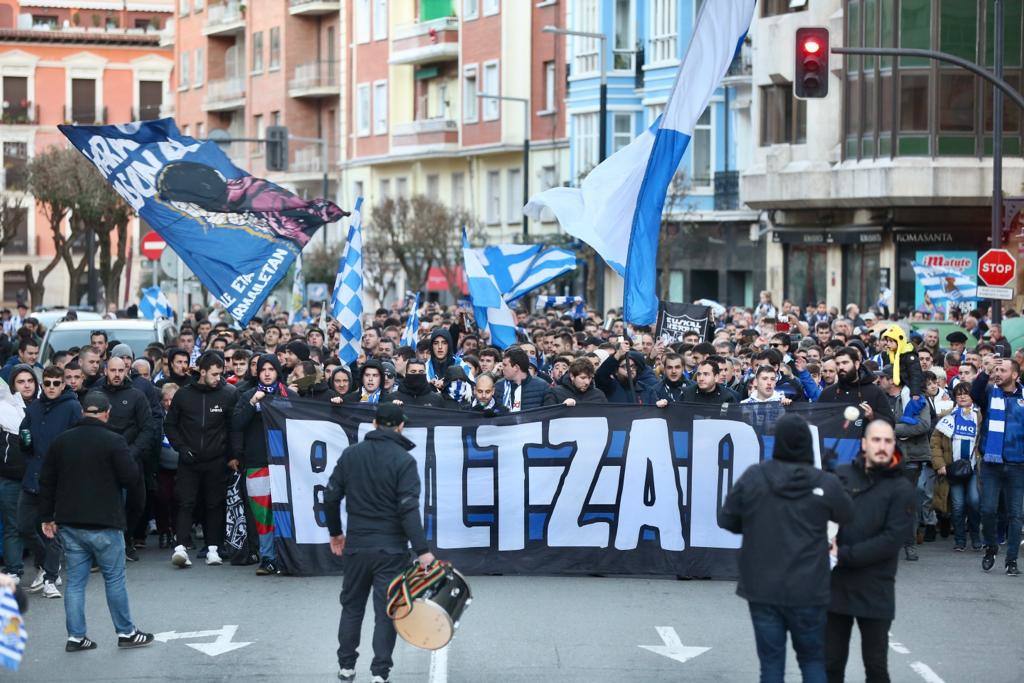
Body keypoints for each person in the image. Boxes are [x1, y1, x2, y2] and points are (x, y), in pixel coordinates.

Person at [719, 414, 853, 683]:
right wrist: (831, 479)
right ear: (807, 444)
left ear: (777, 442)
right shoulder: (824, 482)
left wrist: (754, 527)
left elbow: (727, 519)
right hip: (809, 587)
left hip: (763, 585)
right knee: (813, 661)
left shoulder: (755, 476)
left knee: (771, 664)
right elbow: (848, 515)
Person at [324, 403, 435, 683]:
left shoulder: (351, 455)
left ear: (374, 424)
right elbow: (408, 509)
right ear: (400, 427)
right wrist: (422, 550)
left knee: (351, 607)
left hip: (357, 545)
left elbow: (330, 497)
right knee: (386, 611)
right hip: (391, 549)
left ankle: (346, 666)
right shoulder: (404, 461)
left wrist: (336, 533)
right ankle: (380, 672)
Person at [37, 391, 154, 652]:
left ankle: (76, 637)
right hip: (105, 521)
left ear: (82, 412)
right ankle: (126, 632)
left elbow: (47, 481)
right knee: (114, 579)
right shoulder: (114, 441)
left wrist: (46, 517)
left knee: (75, 582)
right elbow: (130, 478)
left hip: (70, 522)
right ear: (107, 413)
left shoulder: (61, 442)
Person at [826, 420, 916, 683]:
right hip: (835, 588)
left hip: (876, 589)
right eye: (876, 440)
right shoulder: (842, 475)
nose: (882, 446)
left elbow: (890, 541)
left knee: (876, 668)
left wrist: (841, 555)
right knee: (829, 666)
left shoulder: (902, 489)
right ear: (864, 444)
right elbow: (820, 517)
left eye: (888, 441)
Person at [164, 352, 238, 568]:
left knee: (214, 504)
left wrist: (232, 455)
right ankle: (180, 548)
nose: (218, 378)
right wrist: (181, 448)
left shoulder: (228, 394)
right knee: (186, 503)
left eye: (220, 373)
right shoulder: (184, 395)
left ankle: (213, 549)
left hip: (216, 460)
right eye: (214, 374)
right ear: (202, 371)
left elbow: (233, 428)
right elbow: (170, 425)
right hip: (189, 460)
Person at [19, 365, 81, 597]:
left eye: (56, 383)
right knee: (24, 526)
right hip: (32, 477)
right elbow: (24, 438)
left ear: (63, 384)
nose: (52, 387)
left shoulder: (73, 406)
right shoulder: (34, 408)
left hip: (58, 480)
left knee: (52, 532)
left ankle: (50, 578)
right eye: (48, 383)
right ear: (42, 384)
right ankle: (46, 564)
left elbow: (79, 441)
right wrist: (26, 446)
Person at [232, 354, 296, 575]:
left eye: (271, 369)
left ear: (278, 372)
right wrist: (252, 404)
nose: (267, 373)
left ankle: (286, 556)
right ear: (257, 373)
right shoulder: (247, 395)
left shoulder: (290, 395)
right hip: (257, 462)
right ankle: (268, 558)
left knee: (284, 513)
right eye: (263, 370)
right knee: (263, 514)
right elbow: (236, 424)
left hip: (285, 464)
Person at [970, 358, 1024, 575]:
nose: (998, 373)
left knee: (1015, 515)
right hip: (992, 464)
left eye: (1003, 370)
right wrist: (986, 371)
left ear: (1015, 376)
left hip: (1018, 465)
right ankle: (991, 547)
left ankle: (1011, 560)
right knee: (988, 510)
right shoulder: (990, 393)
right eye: (997, 370)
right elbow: (974, 393)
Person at [930, 382, 981, 551]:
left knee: (974, 501)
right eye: (958, 394)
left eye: (965, 393)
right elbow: (935, 442)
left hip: (974, 468)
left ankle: (975, 536)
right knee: (958, 506)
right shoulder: (948, 415)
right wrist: (940, 465)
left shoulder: (980, 415)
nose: (962, 397)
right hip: (953, 469)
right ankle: (960, 540)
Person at [818, 348, 895, 426]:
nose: (841, 367)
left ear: (856, 364)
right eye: (837, 364)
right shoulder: (828, 393)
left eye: (845, 363)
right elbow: (817, 422)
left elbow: (890, 423)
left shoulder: (874, 392)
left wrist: (872, 416)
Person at [0, 377, 26, 583]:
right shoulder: (4, 408)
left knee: (41, 525)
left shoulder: (42, 407)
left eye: (29, 381)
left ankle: (48, 569)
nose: (25, 385)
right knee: (12, 525)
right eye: (20, 381)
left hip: (37, 477)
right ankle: (14, 569)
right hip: (9, 476)